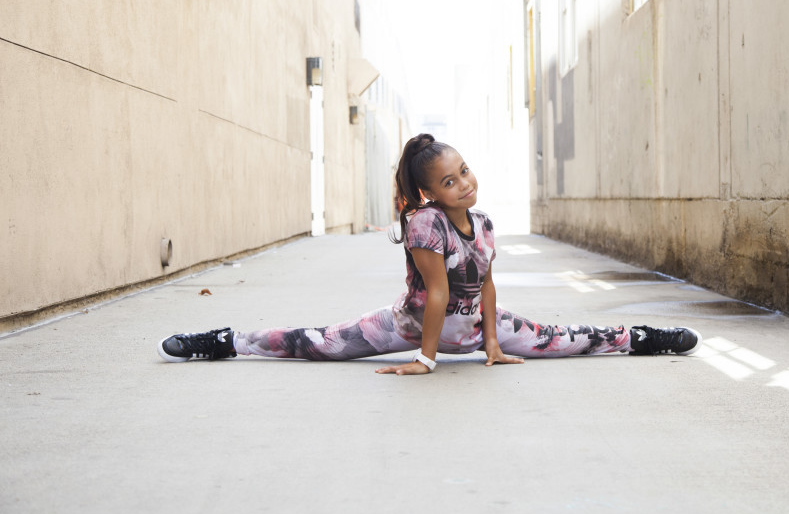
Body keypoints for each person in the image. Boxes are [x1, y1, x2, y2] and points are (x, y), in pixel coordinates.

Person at [158, 134, 702, 374]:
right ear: (429, 194)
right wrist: (424, 358)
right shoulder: (424, 224)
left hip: (472, 329)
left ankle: (646, 339)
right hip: (414, 326)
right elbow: (437, 294)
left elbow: (485, 285)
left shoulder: (485, 223)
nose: (463, 184)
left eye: (463, 171)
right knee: (320, 344)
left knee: (567, 339)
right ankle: (227, 341)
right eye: (448, 181)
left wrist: (492, 343)